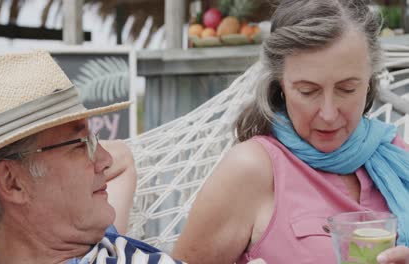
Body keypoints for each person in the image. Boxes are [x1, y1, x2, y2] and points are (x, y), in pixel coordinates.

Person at [172, 0, 409, 263]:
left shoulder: (398, 157)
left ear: (369, 82)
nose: (328, 114)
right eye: (308, 91)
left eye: (347, 89)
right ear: (281, 85)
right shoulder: (252, 170)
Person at [0, 51, 182, 264]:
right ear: (11, 182)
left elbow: (121, 158)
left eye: (94, 140)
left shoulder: (88, 232)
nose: (105, 159)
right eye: (80, 145)